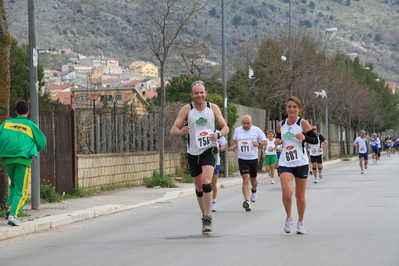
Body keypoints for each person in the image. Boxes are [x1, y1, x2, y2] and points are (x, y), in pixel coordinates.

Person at [170, 80, 229, 235]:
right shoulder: (187, 109)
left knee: (206, 182)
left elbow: (225, 127)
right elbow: (173, 129)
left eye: (202, 92)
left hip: (209, 150)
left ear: (206, 93)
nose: (199, 95)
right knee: (198, 187)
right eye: (196, 93)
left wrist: (218, 134)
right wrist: (181, 131)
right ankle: (204, 216)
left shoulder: (212, 108)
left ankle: (208, 216)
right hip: (193, 152)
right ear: (192, 94)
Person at [275, 96, 319, 234]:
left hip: (300, 162)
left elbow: (315, 140)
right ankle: (289, 217)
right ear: (286, 108)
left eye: (295, 107)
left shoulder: (303, 123)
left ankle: (301, 222)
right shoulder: (280, 124)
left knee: (300, 196)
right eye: (289, 106)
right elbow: (278, 137)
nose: (292, 109)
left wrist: (305, 137)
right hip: (285, 162)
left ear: (299, 109)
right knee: (287, 192)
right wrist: (278, 141)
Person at [0, 100, 47, 226]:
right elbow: (42, 143)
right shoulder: (30, 125)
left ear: (16, 112)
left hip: (7, 159)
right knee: (22, 191)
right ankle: (13, 214)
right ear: (28, 112)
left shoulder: (6, 123)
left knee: (14, 185)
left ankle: (10, 207)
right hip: (22, 159)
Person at [232, 115, 267, 212]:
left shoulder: (257, 130)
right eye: (244, 123)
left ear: (251, 122)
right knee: (245, 179)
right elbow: (234, 140)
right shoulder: (238, 131)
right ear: (241, 123)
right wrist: (234, 146)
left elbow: (265, 142)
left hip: (253, 158)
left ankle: (254, 190)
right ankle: (246, 201)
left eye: (248, 123)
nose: (246, 125)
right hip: (242, 158)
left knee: (253, 180)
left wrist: (259, 144)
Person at [211, 131, 227, 212]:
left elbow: (224, 145)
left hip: (215, 161)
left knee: (213, 182)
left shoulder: (217, 133)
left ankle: (213, 202)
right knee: (205, 183)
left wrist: (219, 149)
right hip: (203, 161)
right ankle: (205, 202)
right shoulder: (200, 130)